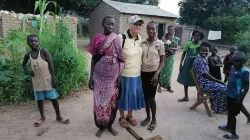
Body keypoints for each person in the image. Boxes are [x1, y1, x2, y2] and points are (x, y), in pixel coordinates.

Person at [88, 16, 125, 138]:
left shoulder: (117, 39)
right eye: (108, 24)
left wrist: (119, 78)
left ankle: (109, 125)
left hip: (112, 79)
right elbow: (94, 58)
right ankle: (101, 126)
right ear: (103, 24)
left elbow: (121, 59)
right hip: (98, 78)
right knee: (99, 104)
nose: (111, 26)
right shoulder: (97, 38)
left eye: (113, 25)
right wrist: (91, 77)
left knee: (111, 103)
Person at [22, 35, 70, 127]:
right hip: (36, 81)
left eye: (36, 41)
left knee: (53, 99)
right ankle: (42, 117)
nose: (34, 43)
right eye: (31, 41)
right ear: (28, 42)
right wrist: (28, 71)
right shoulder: (28, 54)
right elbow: (23, 65)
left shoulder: (43, 51)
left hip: (48, 80)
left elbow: (51, 65)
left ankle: (59, 116)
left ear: (39, 42)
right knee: (39, 100)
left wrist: (53, 79)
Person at [117, 15, 145, 128]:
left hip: (137, 74)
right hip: (124, 74)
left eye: (139, 24)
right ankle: (122, 116)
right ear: (129, 25)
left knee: (133, 95)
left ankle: (130, 115)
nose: (138, 26)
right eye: (135, 24)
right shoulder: (121, 37)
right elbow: (115, 56)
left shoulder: (139, 38)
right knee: (123, 95)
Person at [218, 52, 249, 139]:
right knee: (229, 112)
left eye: (239, 62)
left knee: (232, 115)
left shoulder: (245, 71)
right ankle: (228, 126)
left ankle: (234, 134)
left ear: (244, 61)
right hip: (229, 94)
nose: (237, 63)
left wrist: (240, 98)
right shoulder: (233, 67)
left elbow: (246, 86)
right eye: (235, 61)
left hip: (236, 96)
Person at [140, 21, 165, 130]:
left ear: (156, 30)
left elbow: (163, 61)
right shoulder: (142, 42)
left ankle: (154, 119)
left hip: (154, 74)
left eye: (153, 29)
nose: (151, 31)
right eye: (149, 29)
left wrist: (156, 74)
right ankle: (148, 117)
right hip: (143, 73)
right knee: (145, 97)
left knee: (151, 98)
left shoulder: (160, 43)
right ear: (146, 30)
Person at [192, 42, 227, 114]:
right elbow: (206, 75)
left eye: (206, 50)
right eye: (202, 50)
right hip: (204, 85)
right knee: (224, 88)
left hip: (207, 83)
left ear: (209, 51)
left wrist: (217, 81)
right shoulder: (199, 60)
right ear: (199, 50)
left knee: (223, 87)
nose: (204, 52)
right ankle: (219, 108)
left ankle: (216, 106)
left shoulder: (203, 59)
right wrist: (219, 81)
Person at [177, 30, 204, 102]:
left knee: (197, 80)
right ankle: (186, 96)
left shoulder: (201, 45)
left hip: (197, 65)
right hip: (187, 64)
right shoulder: (188, 44)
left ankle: (198, 97)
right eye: (195, 35)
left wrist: (193, 57)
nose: (197, 37)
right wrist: (180, 64)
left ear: (200, 37)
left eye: (198, 36)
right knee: (186, 80)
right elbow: (183, 55)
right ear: (193, 36)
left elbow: (202, 55)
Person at [157, 25, 180, 93]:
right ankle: (159, 86)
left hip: (171, 57)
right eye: (169, 29)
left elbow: (177, 48)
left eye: (172, 29)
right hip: (164, 56)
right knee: (162, 71)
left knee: (169, 72)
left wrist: (170, 49)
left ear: (174, 30)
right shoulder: (164, 38)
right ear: (168, 30)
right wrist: (166, 48)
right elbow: (161, 46)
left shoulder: (176, 39)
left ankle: (168, 86)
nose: (171, 31)